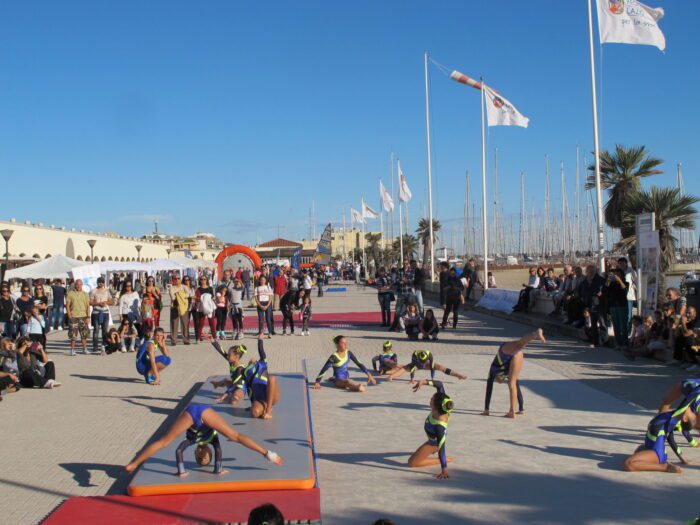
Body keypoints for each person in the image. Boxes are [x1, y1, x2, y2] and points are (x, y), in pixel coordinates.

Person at [124, 403, 283, 477]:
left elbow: (178, 450)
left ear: (195, 453)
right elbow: (223, 451)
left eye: (199, 457)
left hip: (193, 414)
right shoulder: (213, 442)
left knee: (166, 440)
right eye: (205, 457)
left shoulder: (191, 442)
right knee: (233, 436)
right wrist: (218, 470)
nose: (202, 454)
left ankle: (134, 463)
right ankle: (267, 453)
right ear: (209, 452)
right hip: (205, 415)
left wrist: (181, 472)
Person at [211, 333, 281, 419]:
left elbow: (261, 351)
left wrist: (260, 340)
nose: (252, 359)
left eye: (254, 360)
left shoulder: (262, 364)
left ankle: (269, 409)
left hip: (271, 394)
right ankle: (264, 406)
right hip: (260, 399)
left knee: (272, 378)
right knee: (254, 413)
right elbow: (242, 387)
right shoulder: (244, 372)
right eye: (250, 362)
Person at [481, 328, 546, 419]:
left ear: (498, 377)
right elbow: (517, 387)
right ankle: (515, 411)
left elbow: (489, 388)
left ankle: (512, 412)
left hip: (504, 352)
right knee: (520, 344)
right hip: (516, 356)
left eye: (499, 380)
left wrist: (486, 409)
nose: (499, 381)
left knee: (520, 344)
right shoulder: (505, 372)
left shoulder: (493, 369)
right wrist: (521, 407)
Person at [623, 405, 697, 473]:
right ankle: (649, 458)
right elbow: (672, 441)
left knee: (629, 464)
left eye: (691, 412)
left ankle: (665, 467)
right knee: (639, 450)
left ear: (685, 418)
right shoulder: (668, 423)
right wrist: (683, 459)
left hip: (657, 453)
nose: (690, 407)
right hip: (653, 449)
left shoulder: (673, 419)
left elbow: (687, 400)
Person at [408, 379, 453, 479]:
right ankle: (433, 453)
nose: (430, 399)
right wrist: (424, 382)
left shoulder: (439, 427)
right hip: (432, 438)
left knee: (412, 462)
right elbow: (439, 385)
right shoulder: (443, 404)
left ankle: (443, 459)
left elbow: (441, 447)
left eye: (432, 399)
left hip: (434, 444)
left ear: (436, 406)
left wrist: (444, 468)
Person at [388, 348, 467, 383]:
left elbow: (432, 368)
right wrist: (412, 379)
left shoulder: (429, 355)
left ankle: (459, 375)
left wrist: (432, 379)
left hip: (427, 365)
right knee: (405, 368)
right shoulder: (415, 355)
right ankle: (392, 376)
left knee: (440, 367)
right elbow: (412, 367)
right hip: (416, 365)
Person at [66, 279, 90, 356]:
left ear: (82, 285)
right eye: (77, 284)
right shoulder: (70, 294)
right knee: (73, 335)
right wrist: (69, 316)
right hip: (74, 316)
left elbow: (88, 306)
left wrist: (88, 316)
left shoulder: (85, 294)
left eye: (80, 284)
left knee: (84, 334)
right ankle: (72, 350)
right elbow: (67, 306)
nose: (79, 286)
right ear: (75, 285)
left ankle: (84, 349)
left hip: (83, 316)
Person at [89, 277, 113, 354]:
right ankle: (95, 346)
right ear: (97, 282)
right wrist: (98, 303)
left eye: (102, 282)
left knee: (105, 330)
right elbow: (90, 302)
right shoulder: (93, 291)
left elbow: (111, 301)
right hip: (96, 312)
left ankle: (104, 345)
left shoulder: (107, 291)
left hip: (105, 312)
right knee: (96, 330)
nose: (100, 283)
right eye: (99, 282)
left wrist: (105, 302)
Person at [169, 274, 191, 346]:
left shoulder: (184, 286)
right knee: (174, 324)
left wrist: (179, 293)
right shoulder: (172, 288)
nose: (177, 280)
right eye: (175, 279)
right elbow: (173, 297)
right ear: (173, 280)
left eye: (178, 278)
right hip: (175, 306)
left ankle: (186, 339)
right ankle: (173, 340)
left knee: (185, 324)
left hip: (184, 307)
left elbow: (188, 294)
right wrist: (181, 293)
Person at [196, 276, 217, 342]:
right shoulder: (198, 289)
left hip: (209, 306)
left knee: (212, 323)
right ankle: (198, 338)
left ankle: (215, 337)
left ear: (206, 280)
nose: (203, 280)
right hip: (202, 307)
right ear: (200, 280)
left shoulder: (210, 288)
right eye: (201, 279)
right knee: (201, 323)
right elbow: (197, 297)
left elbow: (213, 296)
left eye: (204, 279)